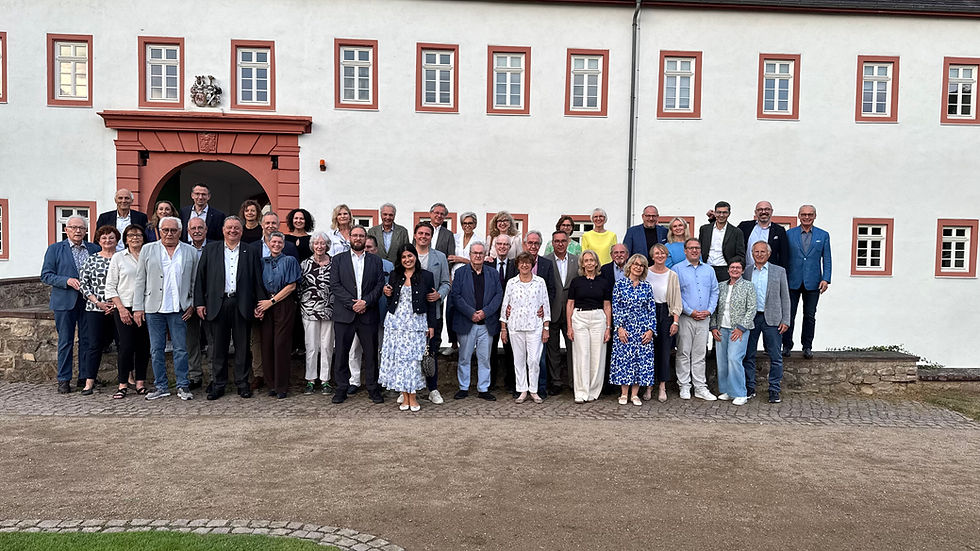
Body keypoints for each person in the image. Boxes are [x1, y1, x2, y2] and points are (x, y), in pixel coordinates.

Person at [194, 216, 267, 400]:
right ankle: (219, 384)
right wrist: (199, 303)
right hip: (218, 304)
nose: (232, 231)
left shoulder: (250, 251)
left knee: (242, 347)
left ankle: (242, 383)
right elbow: (200, 278)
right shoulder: (211, 249)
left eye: (236, 228)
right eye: (229, 228)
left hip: (242, 304)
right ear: (223, 230)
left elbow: (257, 279)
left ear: (241, 231)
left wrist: (260, 304)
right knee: (218, 347)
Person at [133, 216, 198, 401]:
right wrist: (138, 308)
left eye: (173, 230)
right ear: (159, 231)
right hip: (154, 308)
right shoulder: (148, 249)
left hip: (180, 308)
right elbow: (140, 280)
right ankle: (161, 386)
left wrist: (192, 303)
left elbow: (194, 281)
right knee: (156, 349)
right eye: (165, 230)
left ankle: (182, 385)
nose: (169, 234)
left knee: (180, 349)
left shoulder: (190, 251)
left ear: (180, 231)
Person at [41, 215, 100, 393]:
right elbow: (46, 275)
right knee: (65, 341)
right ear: (66, 230)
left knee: (87, 340)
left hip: (88, 302)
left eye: (81, 228)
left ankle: (85, 377)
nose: (77, 231)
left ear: (86, 231)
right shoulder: (55, 249)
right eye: (73, 227)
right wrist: (66, 280)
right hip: (64, 301)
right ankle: (64, 379)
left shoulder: (93, 248)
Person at [330, 225, 385, 404]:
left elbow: (379, 286)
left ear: (365, 238)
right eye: (355, 235)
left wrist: (366, 302)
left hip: (368, 313)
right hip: (345, 314)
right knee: (341, 353)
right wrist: (352, 304)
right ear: (350, 238)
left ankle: (372, 388)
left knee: (370, 354)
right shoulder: (338, 260)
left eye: (361, 236)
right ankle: (341, 388)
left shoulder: (375, 261)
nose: (358, 238)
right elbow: (335, 285)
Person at [380, 243, 438, 412]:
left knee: (413, 361)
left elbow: (431, 303)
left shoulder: (426, 276)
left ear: (415, 257)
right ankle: (404, 396)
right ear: (400, 259)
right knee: (400, 361)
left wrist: (431, 325)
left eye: (410, 256)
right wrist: (387, 294)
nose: (407, 259)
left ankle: (413, 397)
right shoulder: (394, 275)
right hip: (396, 323)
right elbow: (391, 302)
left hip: (416, 323)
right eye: (404, 257)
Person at [450, 241, 502, 401]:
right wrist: (471, 313)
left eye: (481, 253)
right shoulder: (460, 273)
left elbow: (498, 295)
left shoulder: (493, 273)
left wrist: (484, 312)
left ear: (485, 255)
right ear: (470, 255)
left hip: (486, 323)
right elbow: (456, 296)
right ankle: (463, 387)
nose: (478, 256)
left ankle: (483, 388)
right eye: (475, 253)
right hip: (467, 322)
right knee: (464, 357)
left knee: (484, 358)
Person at [105, 224, 151, 397]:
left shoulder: (149, 256)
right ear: (125, 239)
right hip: (124, 307)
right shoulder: (118, 257)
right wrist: (121, 308)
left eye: (138, 235)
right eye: (131, 235)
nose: (135, 238)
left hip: (146, 307)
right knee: (125, 346)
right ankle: (123, 383)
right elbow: (110, 286)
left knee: (143, 346)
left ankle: (140, 383)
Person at [743, 241, 792, 404]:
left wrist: (786, 319)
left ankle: (774, 390)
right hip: (752, 318)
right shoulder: (747, 271)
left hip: (772, 318)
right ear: (752, 253)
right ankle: (750, 388)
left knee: (775, 356)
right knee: (748, 355)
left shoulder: (779, 271)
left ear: (769, 254)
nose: (759, 254)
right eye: (756, 251)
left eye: (762, 251)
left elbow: (785, 297)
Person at [500, 252, 551, 403]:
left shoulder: (540, 282)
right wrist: (503, 328)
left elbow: (545, 304)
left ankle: (534, 390)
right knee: (519, 360)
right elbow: (505, 305)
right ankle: (522, 389)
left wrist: (546, 327)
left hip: (535, 326)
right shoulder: (511, 283)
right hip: (515, 327)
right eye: (521, 262)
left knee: (534, 360)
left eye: (527, 262)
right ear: (517, 265)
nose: (524, 265)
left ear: (532, 264)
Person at [255, 231, 301, 399]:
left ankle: (282, 386)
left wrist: (271, 301)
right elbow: (257, 284)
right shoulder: (262, 262)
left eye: (279, 242)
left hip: (283, 304)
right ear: (268, 243)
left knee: (281, 344)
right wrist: (260, 306)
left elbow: (291, 286)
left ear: (283, 244)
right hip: (265, 305)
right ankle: (271, 384)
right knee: (266, 344)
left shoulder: (289, 261)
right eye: (273, 242)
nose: (276, 244)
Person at [674, 238, 719, 401]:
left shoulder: (709, 270)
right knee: (684, 352)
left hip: (704, 317)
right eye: (691, 248)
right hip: (686, 317)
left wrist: (709, 310)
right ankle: (684, 385)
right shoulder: (677, 269)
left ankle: (700, 387)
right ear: (685, 250)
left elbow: (715, 291)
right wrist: (690, 311)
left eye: (697, 248)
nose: (694, 251)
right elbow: (676, 294)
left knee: (700, 353)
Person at [784, 204, 832, 359]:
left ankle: (807, 346)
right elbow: (784, 257)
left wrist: (826, 278)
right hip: (792, 280)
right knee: (789, 315)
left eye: (810, 214)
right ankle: (786, 345)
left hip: (813, 281)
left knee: (809, 316)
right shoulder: (789, 234)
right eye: (803, 214)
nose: (806, 217)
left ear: (815, 216)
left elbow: (827, 259)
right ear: (799, 216)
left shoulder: (823, 235)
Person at [77, 225, 120, 395]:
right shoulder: (91, 259)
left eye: (111, 237)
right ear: (98, 240)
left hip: (119, 308)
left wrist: (116, 304)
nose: (107, 241)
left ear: (116, 240)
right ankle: (89, 382)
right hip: (95, 309)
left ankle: (127, 379)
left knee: (123, 344)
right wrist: (98, 303)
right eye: (104, 238)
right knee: (94, 345)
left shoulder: (122, 258)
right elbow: (83, 284)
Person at [610, 254, 657, 406]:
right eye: (636, 264)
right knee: (625, 361)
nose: (638, 267)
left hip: (642, 329)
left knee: (640, 362)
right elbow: (615, 308)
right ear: (630, 266)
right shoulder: (620, 284)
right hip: (625, 329)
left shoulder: (647, 286)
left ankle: (635, 394)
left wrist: (651, 330)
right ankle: (623, 393)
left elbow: (651, 309)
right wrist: (619, 328)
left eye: (642, 265)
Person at [412, 222, 451, 405]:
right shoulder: (407, 254)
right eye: (420, 233)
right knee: (410, 352)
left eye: (427, 234)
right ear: (415, 234)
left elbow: (446, 282)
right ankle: (408, 388)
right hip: (409, 314)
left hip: (432, 311)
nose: (423, 236)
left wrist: (439, 294)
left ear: (431, 236)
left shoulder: (440, 257)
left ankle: (433, 388)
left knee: (431, 350)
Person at [566, 249, 612, 403]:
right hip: (579, 318)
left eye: (592, 260)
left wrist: (608, 327)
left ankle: (593, 390)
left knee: (597, 356)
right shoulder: (576, 282)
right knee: (582, 354)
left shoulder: (603, 282)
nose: (589, 263)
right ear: (582, 264)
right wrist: (569, 327)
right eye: (586, 261)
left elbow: (607, 306)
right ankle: (581, 391)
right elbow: (570, 304)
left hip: (598, 318)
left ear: (596, 262)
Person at [709, 260, 755, 406]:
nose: (735, 270)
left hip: (739, 329)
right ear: (728, 270)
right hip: (722, 328)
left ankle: (741, 393)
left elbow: (752, 308)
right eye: (732, 267)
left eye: (738, 268)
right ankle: (728, 391)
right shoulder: (721, 286)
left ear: (742, 271)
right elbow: (714, 309)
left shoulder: (748, 286)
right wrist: (713, 327)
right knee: (722, 361)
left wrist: (741, 327)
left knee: (735, 359)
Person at [520, 230, 557, 397]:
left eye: (536, 243)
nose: (533, 246)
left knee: (538, 357)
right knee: (520, 357)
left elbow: (551, 289)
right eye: (530, 243)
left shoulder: (547, 264)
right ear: (525, 244)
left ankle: (540, 388)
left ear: (540, 245)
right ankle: (520, 388)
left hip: (539, 318)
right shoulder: (517, 262)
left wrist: (544, 305)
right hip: (520, 319)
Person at [645, 244, 682, 403]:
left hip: (665, 313)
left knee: (665, 351)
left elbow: (676, 300)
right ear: (652, 256)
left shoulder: (672, 275)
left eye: (663, 253)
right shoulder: (645, 273)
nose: (660, 256)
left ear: (667, 256)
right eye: (657, 253)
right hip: (648, 313)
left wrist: (675, 321)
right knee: (648, 351)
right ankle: (648, 386)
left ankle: (662, 386)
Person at [299, 232, 335, 395]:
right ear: (312, 246)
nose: (319, 246)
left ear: (327, 246)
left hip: (329, 309)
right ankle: (311, 379)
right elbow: (299, 287)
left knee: (327, 346)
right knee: (311, 345)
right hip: (309, 310)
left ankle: (326, 380)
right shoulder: (304, 264)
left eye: (323, 243)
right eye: (316, 243)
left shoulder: (335, 263)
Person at [545, 229, 578, 394]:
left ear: (568, 243)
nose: (560, 244)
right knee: (553, 350)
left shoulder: (576, 261)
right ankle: (556, 382)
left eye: (563, 241)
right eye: (556, 241)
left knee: (573, 349)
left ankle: (574, 382)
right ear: (552, 243)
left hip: (572, 313)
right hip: (552, 311)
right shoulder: (546, 261)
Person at [445, 211, 479, 355]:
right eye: (464, 223)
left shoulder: (479, 241)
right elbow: (449, 259)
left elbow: (478, 260)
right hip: (454, 279)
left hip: (471, 280)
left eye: (470, 223)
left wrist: (462, 259)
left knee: (469, 311)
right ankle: (453, 344)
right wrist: (449, 278)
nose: (467, 226)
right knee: (451, 311)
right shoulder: (454, 238)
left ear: (475, 225)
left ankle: (473, 345)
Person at [488, 234, 518, 392]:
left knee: (511, 350)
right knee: (490, 349)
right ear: (494, 246)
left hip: (511, 313)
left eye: (505, 244)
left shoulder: (515, 265)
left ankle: (512, 383)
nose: (502, 247)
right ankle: (490, 382)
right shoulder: (488, 265)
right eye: (499, 244)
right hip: (492, 313)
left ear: (509, 247)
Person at [185, 216, 209, 389]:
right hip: (189, 302)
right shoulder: (183, 249)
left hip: (212, 301)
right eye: (193, 228)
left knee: (214, 341)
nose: (197, 231)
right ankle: (194, 375)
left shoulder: (217, 246)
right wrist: (191, 301)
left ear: (206, 230)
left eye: (200, 228)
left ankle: (216, 376)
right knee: (191, 341)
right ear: (188, 231)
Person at [698, 201, 745, 282]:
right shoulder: (704, 229)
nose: (721, 215)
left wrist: (735, 269)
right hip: (707, 267)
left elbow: (740, 254)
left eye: (724, 212)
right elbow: (700, 248)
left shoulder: (736, 232)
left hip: (725, 269)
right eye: (719, 212)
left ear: (729, 213)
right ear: (715, 213)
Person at [736, 201, 789, 268]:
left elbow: (784, 255)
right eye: (760, 209)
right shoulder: (744, 227)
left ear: (771, 211)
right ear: (755, 212)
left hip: (769, 273)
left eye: (767, 209)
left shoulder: (779, 230)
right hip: (747, 272)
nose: (763, 212)